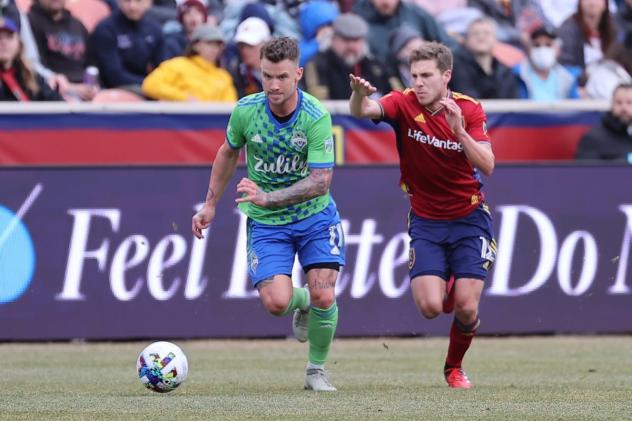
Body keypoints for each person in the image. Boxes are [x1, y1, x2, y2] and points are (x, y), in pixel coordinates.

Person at [192, 37, 345, 392]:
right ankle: (302, 301)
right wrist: (211, 202)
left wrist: (268, 195)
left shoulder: (315, 117)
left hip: (315, 217)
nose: (274, 85)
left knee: (325, 293)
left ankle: (316, 371)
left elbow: (321, 182)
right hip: (267, 223)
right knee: (277, 303)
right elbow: (227, 153)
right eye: (267, 76)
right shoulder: (246, 111)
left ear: (298, 74)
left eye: (282, 77)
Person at [349, 41, 497, 389]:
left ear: (446, 76)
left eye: (426, 75)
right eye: (414, 75)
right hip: (427, 221)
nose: (418, 82)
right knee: (431, 308)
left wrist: (459, 131)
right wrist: (357, 95)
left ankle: (453, 368)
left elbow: (488, 165)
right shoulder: (403, 103)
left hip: (470, 218)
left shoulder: (469, 110)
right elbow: (362, 110)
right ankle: (447, 281)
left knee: (466, 308)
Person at [303, 13, 391, 100]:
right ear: (333, 39)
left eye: (356, 40)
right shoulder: (318, 65)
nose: (351, 46)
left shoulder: (374, 67)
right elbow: (319, 102)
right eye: (346, 40)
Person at [142, 25, 237, 101]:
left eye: (217, 45)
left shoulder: (223, 77)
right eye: (209, 43)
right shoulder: (177, 65)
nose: (214, 49)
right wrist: (183, 98)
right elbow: (150, 85)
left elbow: (228, 108)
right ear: (196, 45)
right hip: (176, 122)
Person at [28, 0, 98, 101]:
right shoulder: (30, 22)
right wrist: (71, 87)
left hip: (86, 88)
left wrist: (93, 85)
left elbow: (92, 62)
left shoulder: (77, 24)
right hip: (54, 90)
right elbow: (36, 65)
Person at [91, 0, 166, 90]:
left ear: (149, 2)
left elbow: (163, 66)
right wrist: (151, 84)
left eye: (138, 1)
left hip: (145, 84)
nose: (132, 6)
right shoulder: (106, 29)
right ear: (119, 2)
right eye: (127, 1)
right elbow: (114, 76)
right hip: (112, 88)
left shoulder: (154, 29)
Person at [449, 17, 519, 99]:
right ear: (466, 40)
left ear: (495, 39)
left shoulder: (505, 71)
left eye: (486, 33)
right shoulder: (456, 66)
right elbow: (468, 101)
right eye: (475, 33)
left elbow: (513, 103)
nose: (481, 37)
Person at [0, 16, 63, 101]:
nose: (4, 42)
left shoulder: (29, 74)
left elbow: (56, 101)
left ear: (19, 44)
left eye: (9, 37)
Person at [514, 25, 580, 100]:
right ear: (529, 49)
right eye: (537, 45)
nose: (542, 49)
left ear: (558, 50)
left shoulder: (568, 78)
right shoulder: (517, 76)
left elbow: (576, 107)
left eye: (548, 45)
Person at [575, 83, 632, 162]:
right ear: (612, 105)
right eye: (618, 102)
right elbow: (584, 172)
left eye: (629, 103)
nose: (624, 107)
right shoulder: (593, 138)